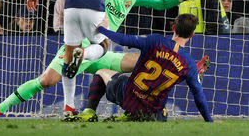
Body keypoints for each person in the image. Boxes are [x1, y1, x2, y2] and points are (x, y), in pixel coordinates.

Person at [0, 0, 205, 120]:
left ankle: (135, 108)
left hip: (103, 50)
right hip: (80, 42)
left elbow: (162, 3)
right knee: (46, 81)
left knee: (144, 62)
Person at [68, 13, 213, 122]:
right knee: (163, 110)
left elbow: (123, 39)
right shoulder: (188, 63)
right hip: (152, 112)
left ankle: (89, 112)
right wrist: (209, 121)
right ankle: (136, 115)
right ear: (192, 34)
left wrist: (102, 29)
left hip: (128, 97)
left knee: (101, 72)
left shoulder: (155, 41)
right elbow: (199, 97)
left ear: (173, 27)